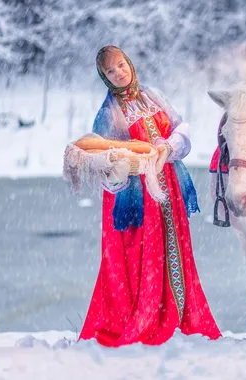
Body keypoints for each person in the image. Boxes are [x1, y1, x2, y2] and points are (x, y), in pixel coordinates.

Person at [70, 45, 221, 346]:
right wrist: (126, 168)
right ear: (105, 77)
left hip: (169, 187)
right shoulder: (108, 114)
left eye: (121, 65)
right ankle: (146, 316)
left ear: (130, 63)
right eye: (111, 71)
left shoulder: (152, 96)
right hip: (137, 197)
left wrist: (167, 147)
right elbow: (104, 166)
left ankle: (179, 315)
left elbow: (182, 128)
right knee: (143, 258)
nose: (119, 73)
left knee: (174, 250)